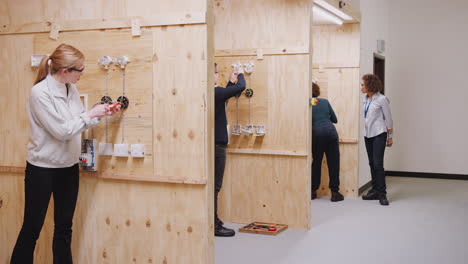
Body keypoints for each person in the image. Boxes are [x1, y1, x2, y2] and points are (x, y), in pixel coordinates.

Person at [10, 44, 120, 264]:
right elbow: (61, 131)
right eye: (79, 69)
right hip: (42, 170)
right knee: (32, 227)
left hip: (68, 168)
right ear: (65, 71)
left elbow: (78, 121)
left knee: (64, 229)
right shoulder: (39, 93)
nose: (82, 73)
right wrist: (90, 114)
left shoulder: (71, 87)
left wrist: (101, 113)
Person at [214, 63, 246, 237]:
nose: (217, 76)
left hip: (215, 144)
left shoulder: (213, 93)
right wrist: (240, 75)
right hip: (217, 145)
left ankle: (213, 221)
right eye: (216, 73)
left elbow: (223, 98)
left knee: (214, 186)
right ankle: (214, 224)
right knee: (215, 186)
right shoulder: (214, 91)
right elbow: (242, 87)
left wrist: (230, 83)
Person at [360, 74, 393, 206]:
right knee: (371, 163)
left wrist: (390, 137)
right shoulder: (366, 99)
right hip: (367, 134)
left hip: (379, 133)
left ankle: (382, 193)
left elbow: (389, 119)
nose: (361, 87)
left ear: (370, 85)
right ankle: (374, 190)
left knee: (378, 164)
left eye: (362, 85)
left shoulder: (382, 99)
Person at [311, 82, 344, 202]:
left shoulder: (307, 103)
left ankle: (313, 191)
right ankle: (335, 193)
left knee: (317, 162)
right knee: (333, 163)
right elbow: (335, 119)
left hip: (316, 134)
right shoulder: (324, 101)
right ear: (317, 91)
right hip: (331, 133)